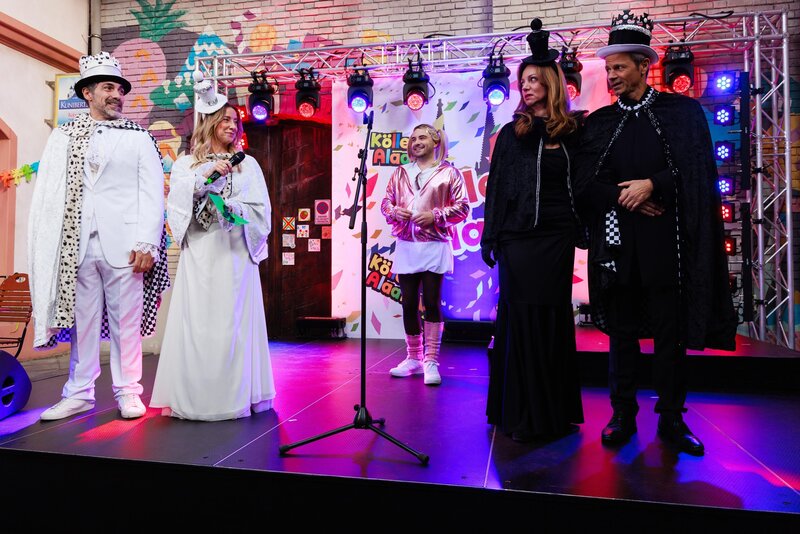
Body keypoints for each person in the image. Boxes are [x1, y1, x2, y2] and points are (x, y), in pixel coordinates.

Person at [575, 10, 737, 455]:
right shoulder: (599, 124)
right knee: (622, 335)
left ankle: (671, 418)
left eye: (619, 67)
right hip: (618, 247)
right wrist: (622, 195)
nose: (611, 76)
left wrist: (654, 184)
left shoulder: (681, 113)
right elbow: (585, 185)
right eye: (608, 68)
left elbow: (698, 171)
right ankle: (622, 414)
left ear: (644, 65)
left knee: (670, 336)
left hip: (668, 245)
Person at [29, 52, 168, 420]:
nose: (117, 95)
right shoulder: (64, 136)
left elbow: (152, 192)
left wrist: (147, 241)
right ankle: (78, 393)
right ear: (87, 93)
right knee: (83, 324)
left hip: (125, 245)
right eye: (108, 88)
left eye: (120, 89)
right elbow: (50, 193)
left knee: (126, 323)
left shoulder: (138, 137)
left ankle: (128, 391)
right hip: (76, 244)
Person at [149, 71, 275, 420]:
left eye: (236, 121)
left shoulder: (248, 165)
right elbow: (176, 206)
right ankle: (197, 396)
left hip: (234, 253)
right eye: (226, 120)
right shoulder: (186, 164)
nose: (233, 126)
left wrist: (232, 208)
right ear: (210, 122)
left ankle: (234, 395)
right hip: (201, 253)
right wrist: (206, 178)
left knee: (231, 324)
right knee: (199, 323)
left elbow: (261, 210)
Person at [481, 19, 585, 442]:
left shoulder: (574, 131)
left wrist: (584, 229)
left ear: (550, 83)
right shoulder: (511, 134)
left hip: (557, 239)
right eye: (522, 80)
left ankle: (553, 412)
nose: (524, 86)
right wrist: (491, 236)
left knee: (552, 318)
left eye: (533, 79)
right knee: (521, 318)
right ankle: (521, 413)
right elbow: (497, 188)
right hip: (518, 240)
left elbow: (584, 183)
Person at [380, 124, 470, 385]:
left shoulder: (449, 173)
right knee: (408, 303)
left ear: (435, 141)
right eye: (412, 138)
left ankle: (431, 360)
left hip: (434, 244)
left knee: (431, 301)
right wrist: (394, 212)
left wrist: (435, 215)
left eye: (421, 137)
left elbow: (463, 208)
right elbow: (386, 203)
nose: (416, 142)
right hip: (406, 244)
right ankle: (414, 358)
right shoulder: (400, 172)